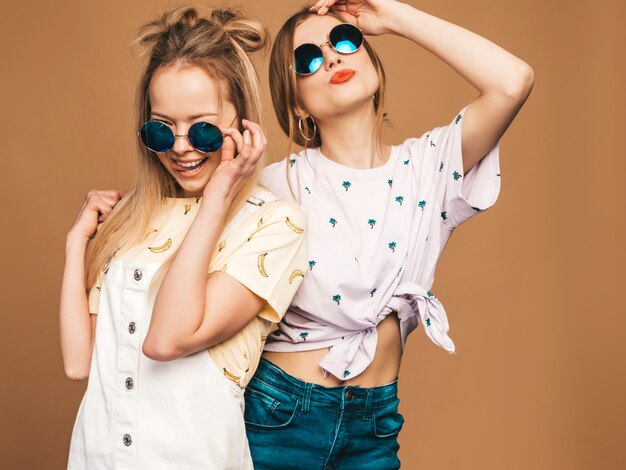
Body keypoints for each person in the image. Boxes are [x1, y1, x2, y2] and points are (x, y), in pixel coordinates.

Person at [244, 1, 534, 468]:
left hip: (376, 425)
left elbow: (512, 79)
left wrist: (393, 17)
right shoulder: (275, 186)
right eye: (308, 59)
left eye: (343, 40)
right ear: (296, 101)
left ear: (371, 58)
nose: (333, 57)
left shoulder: (428, 167)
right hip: (280, 418)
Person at [59, 6, 307, 469]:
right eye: (161, 128)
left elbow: (167, 341)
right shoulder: (130, 219)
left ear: (242, 123)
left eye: (203, 129)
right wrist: (77, 246)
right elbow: (80, 363)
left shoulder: (274, 225)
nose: (179, 145)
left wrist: (217, 197)